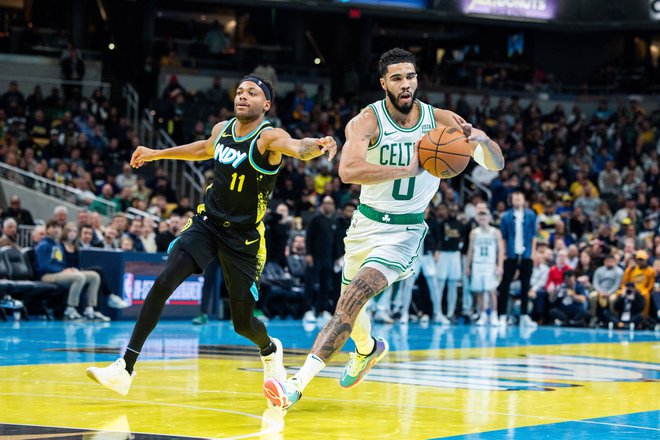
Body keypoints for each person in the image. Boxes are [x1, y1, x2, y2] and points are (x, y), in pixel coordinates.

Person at [263, 48, 503, 410]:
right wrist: (405, 169)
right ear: (383, 83)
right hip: (365, 225)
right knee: (351, 311)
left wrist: (483, 141)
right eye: (396, 78)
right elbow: (348, 171)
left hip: (404, 233)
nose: (405, 84)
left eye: (410, 76)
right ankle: (367, 348)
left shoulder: (442, 122)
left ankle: (295, 385)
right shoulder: (367, 121)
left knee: (353, 297)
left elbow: (497, 164)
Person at [86, 74, 337, 397]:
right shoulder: (222, 129)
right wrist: (155, 153)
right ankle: (125, 368)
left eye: (252, 93)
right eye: (239, 91)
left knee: (243, 323)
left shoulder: (269, 137)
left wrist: (316, 146)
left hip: (243, 238)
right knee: (164, 281)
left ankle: (269, 348)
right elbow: (203, 149)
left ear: (267, 104)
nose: (243, 96)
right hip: (208, 223)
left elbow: (296, 148)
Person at [36, 219, 108, 321]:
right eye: (53, 227)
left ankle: (90, 309)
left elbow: (62, 262)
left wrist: (69, 269)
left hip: (60, 273)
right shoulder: (43, 245)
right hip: (47, 275)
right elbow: (44, 266)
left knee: (94, 276)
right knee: (79, 277)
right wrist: (63, 270)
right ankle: (70, 310)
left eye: (58, 227)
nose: (56, 230)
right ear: (47, 230)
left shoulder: (57, 245)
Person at [497, 191, 538, 328]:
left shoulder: (531, 215)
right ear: (512, 200)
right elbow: (503, 238)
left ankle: (524, 316)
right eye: (515, 198)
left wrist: (532, 253)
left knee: (525, 286)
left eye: (520, 197)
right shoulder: (506, 216)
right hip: (511, 254)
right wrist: (503, 255)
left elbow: (534, 236)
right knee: (505, 286)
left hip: (526, 255)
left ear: (524, 199)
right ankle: (502, 315)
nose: (517, 200)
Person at [466, 208, 504, 326]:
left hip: (490, 264)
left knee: (492, 291)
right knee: (480, 292)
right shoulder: (474, 233)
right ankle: (482, 315)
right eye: (480, 218)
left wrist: (500, 265)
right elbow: (470, 250)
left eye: (485, 218)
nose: (483, 220)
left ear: (489, 218)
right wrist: (468, 266)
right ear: (477, 219)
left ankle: (494, 315)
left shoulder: (495, 232)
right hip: (477, 264)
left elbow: (501, 250)